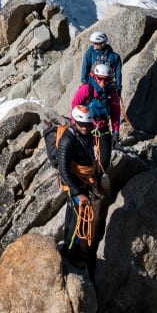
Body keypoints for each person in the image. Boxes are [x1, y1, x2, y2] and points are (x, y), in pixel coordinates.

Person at [57, 105, 103, 269]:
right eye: (81, 124)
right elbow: (63, 169)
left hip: (84, 182)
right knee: (78, 220)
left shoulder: (87, 135)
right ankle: (69, 254)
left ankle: (72, 248)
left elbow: (92, 159)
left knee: (73, 218)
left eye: (87, 125)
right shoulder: (68, 140)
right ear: (74, 122)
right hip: (73, 185)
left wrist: (96, 180)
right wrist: (78, 192)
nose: (84, 128)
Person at [71, 63, 120, 170]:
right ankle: (87, 180)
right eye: (100, 78)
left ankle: (97, 178)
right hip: (85, 128)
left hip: (103, 128)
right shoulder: (86, 89)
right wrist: (74, 125)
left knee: (105, 160)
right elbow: (75, 105)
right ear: (94, 76)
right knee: (84, 159)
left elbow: (115, 112)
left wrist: (116, 132)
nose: (103, 82)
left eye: (106, 79)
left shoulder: (111, 92)